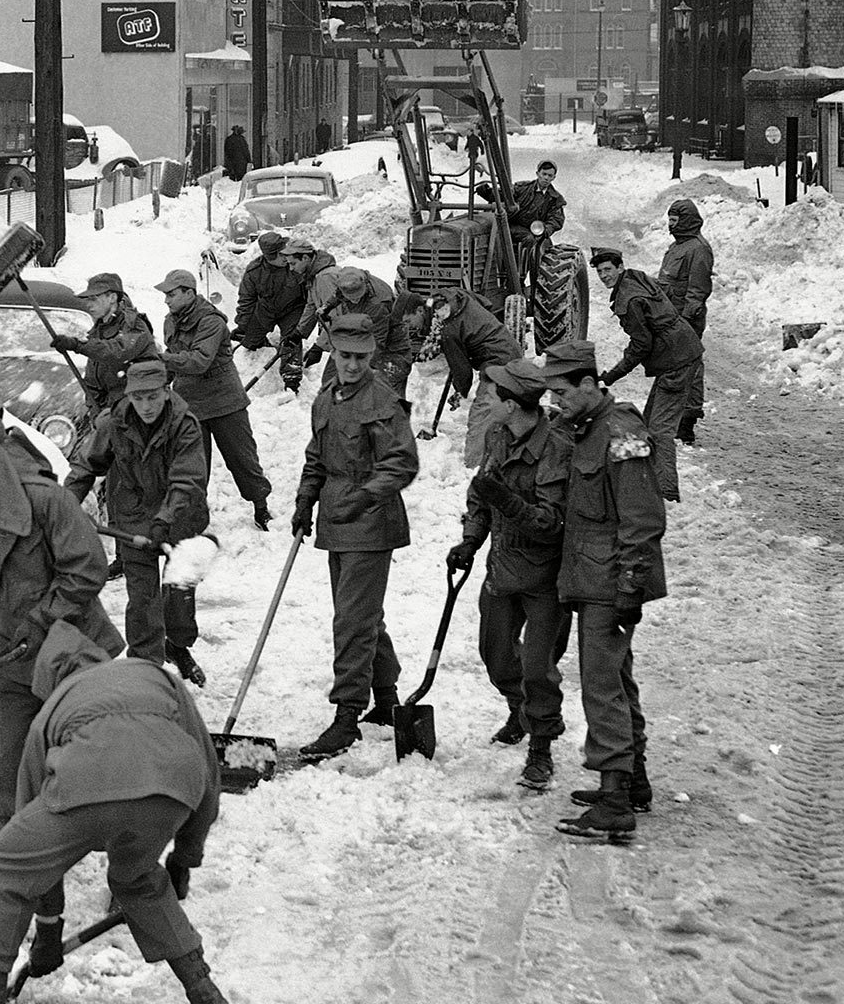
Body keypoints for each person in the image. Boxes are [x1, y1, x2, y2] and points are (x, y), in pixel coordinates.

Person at [0, 627, 231, 1004]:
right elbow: (208, 772)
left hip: (86, 785)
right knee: (139, 879)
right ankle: (205, 995)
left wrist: (49, 931)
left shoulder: (51, 710)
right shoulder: (154, 675)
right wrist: (184, 858)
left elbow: (32, 849)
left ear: (48, 679)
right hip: (173, 786)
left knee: (1, 869)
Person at [0, 415, 126, 968]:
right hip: (14, 674)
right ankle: (46, 923)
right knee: (16, 804)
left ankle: (136, 879)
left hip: (77, 660)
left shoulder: (45, 502)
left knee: (105, 784)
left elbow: (89, 568)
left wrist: (42, 620)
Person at [540, 339, 668, 842]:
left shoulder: (620, 434)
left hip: (611, 582)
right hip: (591, 577)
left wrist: (630, 588)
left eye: (563, 393)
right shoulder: (586, 431)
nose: (556, 402)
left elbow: (642, 519)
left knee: (600, 683)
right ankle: (632, 779)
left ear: (591, 384)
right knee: (616, 677)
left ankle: (614, 800)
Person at [288, 314, 419, 758]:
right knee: (362, 614)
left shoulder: (382, 401)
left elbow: (402, 464)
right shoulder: (325, 400)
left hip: (371, 524)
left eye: (361, 358)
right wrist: (306, 499)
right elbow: (316, 457)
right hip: (334, 522)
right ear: (334, 353)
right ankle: (386, 700)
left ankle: (347, 717)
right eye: (345, 356)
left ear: (372, 357)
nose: (352, 365)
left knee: (352, 620)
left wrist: (363, 498)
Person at [447, 357, 570, 786]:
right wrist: (469, 539)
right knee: (496, 657)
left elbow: (550, 522)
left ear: (514, 403)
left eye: (494, 393)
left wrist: (507, 501)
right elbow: (482, 494)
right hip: (502, 569)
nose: (488, 398)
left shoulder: (555, 446)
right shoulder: (497, 433)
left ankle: (541, 748)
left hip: (545, 578)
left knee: (538, 666)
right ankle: (520, 710)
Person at [64, 357, 211, 682]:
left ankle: (178, 645)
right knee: (143, 602)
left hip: (181, 517)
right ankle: (146, 672)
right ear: (129, 395)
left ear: (166, 390)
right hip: (132, 518)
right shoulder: (113, 423)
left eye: (153, 397)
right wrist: (63, 504)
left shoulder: (184, 424)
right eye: (138, 397)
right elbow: (87, 466)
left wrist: (164, 519)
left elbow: (187, 479)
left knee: (178, 599)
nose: (145, 406)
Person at [155, 268, 272, 528]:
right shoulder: (170, 321)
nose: (166, 300)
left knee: (242, 459)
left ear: (189, 292)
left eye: (171, 294)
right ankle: (195, 518)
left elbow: (199, 361)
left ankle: (260, 506)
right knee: (193, 465)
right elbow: (173, 362)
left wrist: (161, 358)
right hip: (190, 404)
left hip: (224, 402)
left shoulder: (211, 321)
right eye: (165, 295)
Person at [591, 247, 701, 502]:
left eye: (608, 269)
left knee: (660, 431)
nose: (604, 276)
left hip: (677, 361)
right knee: (649, 423)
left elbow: (641, 345)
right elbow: (668, 292)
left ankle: (666, 494)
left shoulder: (628, 300)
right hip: (682, 350)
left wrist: (611, 376)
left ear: (619, 268)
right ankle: (646, 482)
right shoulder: (635, 277)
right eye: (599, 272)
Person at [296, 263, 417, 404]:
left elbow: (376, 343)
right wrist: (327, 307)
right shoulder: (347, 282)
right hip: (357, 335)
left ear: (364, 285)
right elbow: (338, 294)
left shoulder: (378, 302)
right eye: (351, 297)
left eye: (357, 297)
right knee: (331, 381)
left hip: (390, 349)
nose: (354, 300)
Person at [433, 286, 526, 468]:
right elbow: (486, 303)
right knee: (507, 407)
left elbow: (462, 370)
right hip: (508, 348)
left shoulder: (448, 330)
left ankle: (473, 466)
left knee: (481, 413)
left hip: (498, 361)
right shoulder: (458, 296)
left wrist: (460, 391)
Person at [48, 271, 157, 414]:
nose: (89, 304)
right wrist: (95, 412)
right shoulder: (99, 330)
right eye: (87, 299)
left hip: (139, 412)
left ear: (112, 298)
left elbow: (117, 351)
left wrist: (77, 345)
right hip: (111, 416)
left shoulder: (134, 325)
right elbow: (93, 380)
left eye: (94, 299)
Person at [655, 199, 715, 445]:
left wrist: (687, 320)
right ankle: (674, 416)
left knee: (689, 367)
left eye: (674, 220)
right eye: (669, 220)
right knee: (672, 366)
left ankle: (687, 421)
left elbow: (698, 289)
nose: (670, 225)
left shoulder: (698, 248)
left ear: (686, 220)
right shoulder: (677, 247)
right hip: (671, 317)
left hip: (685, 318)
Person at [233, 234, 310, 393]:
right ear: (268, 257)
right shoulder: (254, 271)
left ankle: (291, 380)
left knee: (291, 340)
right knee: (250, 342)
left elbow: (311, 290)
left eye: (285, 253)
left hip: (292, 308)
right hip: (267, 309)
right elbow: (246, 300)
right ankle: (265, 346)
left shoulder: (296, 265)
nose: (285, 258)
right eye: (280, 255)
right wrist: (243, 325)